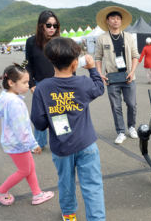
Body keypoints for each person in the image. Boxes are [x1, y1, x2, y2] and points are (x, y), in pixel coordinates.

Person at [31, 37, 105, 221]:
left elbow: (39, 123)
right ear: (74, 64)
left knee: (65, 182)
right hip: (86, 143)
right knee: (93, 185)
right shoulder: (82, 83)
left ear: (51, 61)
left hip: (61, 147)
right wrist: (92, 69)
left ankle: (69, 214)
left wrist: (53, 113)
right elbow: (99, 88)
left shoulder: (42, 88)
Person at [0, 64, 54, 206]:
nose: (28, 86)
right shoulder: (15, 103)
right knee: (24, 170)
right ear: (11, 83)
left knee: (29, 167)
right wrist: (33, 145)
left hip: (12, 141)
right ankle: (0, 191)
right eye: (24, 82)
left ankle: (37, 194)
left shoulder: (5, 96)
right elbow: (22, 129)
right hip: (18, 143)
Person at [94, 6, 140, 144]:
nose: (115, 21)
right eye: (112, 18)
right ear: (107, 21)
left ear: (121, 21)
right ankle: (120, 131)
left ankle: (131, 126)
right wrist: (99, 74)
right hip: (112, 77)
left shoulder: (129, 37)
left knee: (132, 104)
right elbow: (98, 57)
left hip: (128, 76)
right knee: (116, 106)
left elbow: (135, 56)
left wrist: (132, 72)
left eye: (118, 18)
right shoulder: (102, 38)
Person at [25, 10, 61, 152]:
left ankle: (61, 140)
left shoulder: (60, 41)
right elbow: (26, 63)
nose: (52, 28)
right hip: (39, 84)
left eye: (55, 25)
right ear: (41, 26)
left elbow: (68, 62)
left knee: (59, 112)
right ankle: (38, 143)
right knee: (40, 114)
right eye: (49, 25)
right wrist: (31, 84)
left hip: (58, 83)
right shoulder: (31, 42)